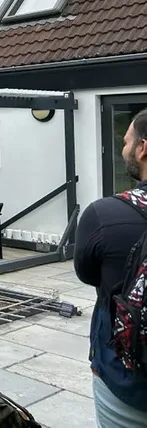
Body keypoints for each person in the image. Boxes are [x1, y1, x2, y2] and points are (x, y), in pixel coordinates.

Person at [74, 108, 147, 427]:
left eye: (126, 141)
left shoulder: (102, 215)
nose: (123, 148)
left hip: (127, 381)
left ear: (143, 148)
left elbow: (87, 274)